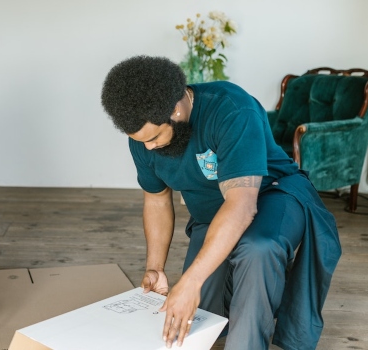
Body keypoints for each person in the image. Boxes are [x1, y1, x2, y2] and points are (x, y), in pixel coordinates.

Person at [100, 56, 341, 350]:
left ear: (176, 108)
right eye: (140, 141)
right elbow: (157, 200)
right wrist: (155, 268)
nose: (148, 147)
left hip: (273, 195)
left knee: (257, 248)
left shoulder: (231, 109)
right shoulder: (143, 139)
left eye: (153, 137)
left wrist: (189, 281)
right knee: (203, 315)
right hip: (212, 214)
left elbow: (241, 206)